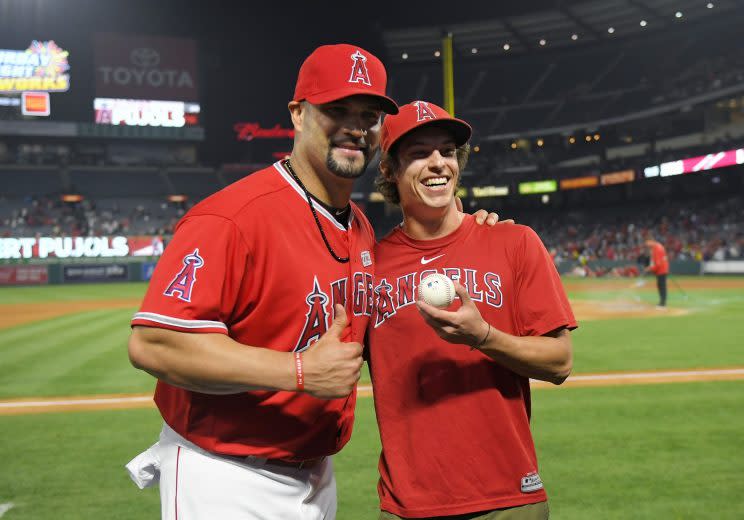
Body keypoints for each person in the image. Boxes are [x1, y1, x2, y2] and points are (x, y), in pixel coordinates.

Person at [125, 46, 499, 520]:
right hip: (222, 471)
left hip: (316, 474)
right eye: (336, 110)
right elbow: (154, 344)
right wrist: (297, 372)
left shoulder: (360, 227)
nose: (355, 126)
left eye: (368, 114)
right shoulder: (233, 217)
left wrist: (470, 232)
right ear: (298, 115)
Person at [368, 101, 577, 519]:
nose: (437, 164)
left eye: (446, 151)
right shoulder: (368, 265)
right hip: (409, 503)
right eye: (419, 153)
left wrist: (484, 336)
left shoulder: (513, 241)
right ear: (390, 170)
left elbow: (559, 362)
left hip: (508, 499)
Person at [644, 237, 669, 307]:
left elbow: (658, 264)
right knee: (660, 285)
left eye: (647, 242)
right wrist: (650, 268)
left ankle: (662, 303)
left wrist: (650, 269)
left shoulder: (657, 248)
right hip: (662, 269)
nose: (646, 244)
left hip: (661, 270)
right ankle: (662, 302)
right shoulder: (656, 247)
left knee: (662, 286)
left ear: (651, 241)